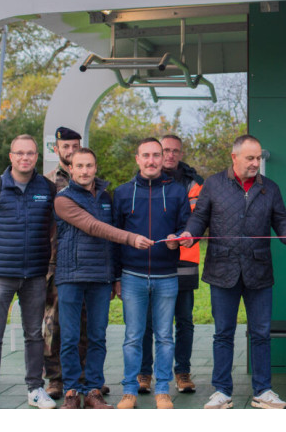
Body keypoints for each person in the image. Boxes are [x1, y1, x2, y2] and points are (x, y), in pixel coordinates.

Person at [177, 135, 286, 409]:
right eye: (250, 158)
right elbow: (199, 218)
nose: (256, 163)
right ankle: (222, 392)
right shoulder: (213, 184)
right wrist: (189, 234)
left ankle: (263, 391)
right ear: (234, 158)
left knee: (261, 333)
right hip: (222, 269)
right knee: (223, 332)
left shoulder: (270, 187)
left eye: (258, 158)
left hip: (258, 271)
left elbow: (281, 219)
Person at [53, 148, 155, 409]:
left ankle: (93, 391)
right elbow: (93, 226)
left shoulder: (106, 198)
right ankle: (72, 392)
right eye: (80, 166)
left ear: (95, 168)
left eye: (89, 165)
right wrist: (131, 238)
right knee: (70, 337)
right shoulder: (63, 199)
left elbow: (111, 244)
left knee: (98, 336)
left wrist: (115, 276)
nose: (85, 171)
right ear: (71, 169)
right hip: (71, 276)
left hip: (100, 277)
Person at [0, 134, 57, 409]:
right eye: (20, 153)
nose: (25, 158)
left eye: (30, 153)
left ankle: (35, 389)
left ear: (36, 157)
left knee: (34, 334)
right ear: (11, 156)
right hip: (0, 276)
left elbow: (52, 228)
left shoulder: (47, 188)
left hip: (34, 276)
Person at [112, 138, 190, 409]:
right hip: (132, 275)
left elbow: (186, 228)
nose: (151, 161)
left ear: (163, 159)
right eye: (146, 155)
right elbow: (114, 238)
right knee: (133, 336)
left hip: (167, 275)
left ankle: (163, 390)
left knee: (165, 336)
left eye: (156, 155)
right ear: (137, 159)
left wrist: (176, 238)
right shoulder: (122, 193)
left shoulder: (178, 191)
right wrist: (116, 277)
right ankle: (130, 390)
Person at [138, 134, 204, 394]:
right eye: (165, 150)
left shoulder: (193, 184)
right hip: (151, 262)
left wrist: (178, 236)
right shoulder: (143, 182)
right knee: (147, 322)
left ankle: (183, 372)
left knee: (184, 321)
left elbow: (197, 219)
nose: (170, 155)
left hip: (184, 261)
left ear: (181, 153)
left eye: (175, 151)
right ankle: (145, 373)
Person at [43, 126, 85, 400]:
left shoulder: (89, 180)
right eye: (65, 147)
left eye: (74, 146)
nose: (70, 151)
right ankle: (55, 379)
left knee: (85, 324)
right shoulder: (45, 183)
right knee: (53, 324)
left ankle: (83, 378)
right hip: (54, 263)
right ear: (56, 149)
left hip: (84, 263)